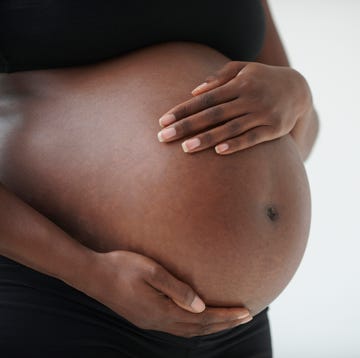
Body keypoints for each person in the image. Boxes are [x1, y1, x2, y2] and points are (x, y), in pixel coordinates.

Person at [0, 0, 319, 357]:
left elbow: (298, 140)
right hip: (71, 297)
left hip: (238, 326)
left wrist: (298, 98)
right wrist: (91, 273)